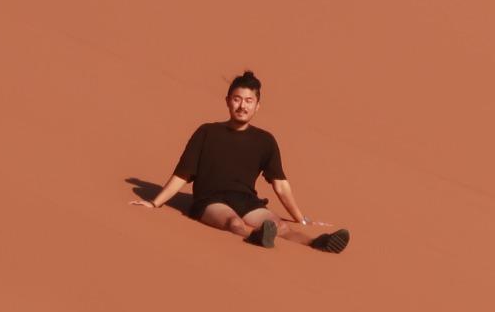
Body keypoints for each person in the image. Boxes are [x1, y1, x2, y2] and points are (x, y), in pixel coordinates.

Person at [132, 70, 350, 253]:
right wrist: (154, 203)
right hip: (210, 200)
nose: (242, 106)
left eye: (249, 101)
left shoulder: (265, 140)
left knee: (279, 226)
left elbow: (281, 185)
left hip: (245, 200)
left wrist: (301, 219)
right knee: (234, 223)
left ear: (257, 106)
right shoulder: (207, 132)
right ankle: (256, 237)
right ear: (227, 101)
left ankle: (318, 243)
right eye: (237, 99)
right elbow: (182, 175)